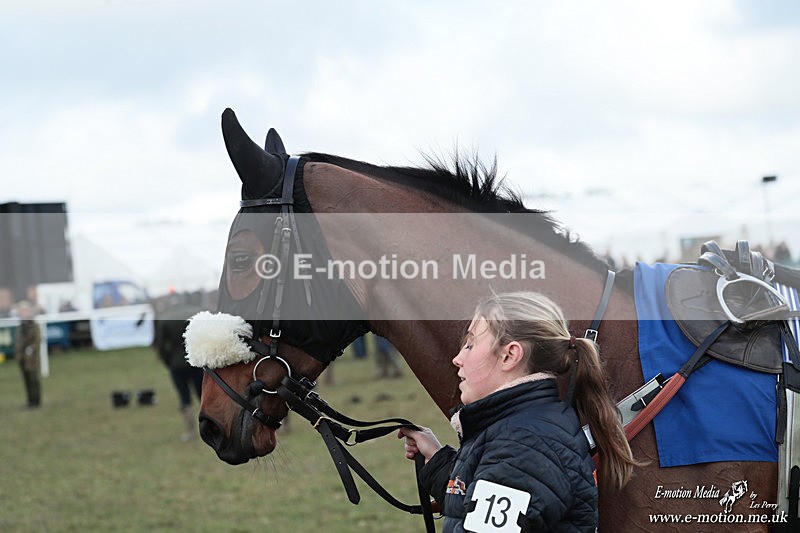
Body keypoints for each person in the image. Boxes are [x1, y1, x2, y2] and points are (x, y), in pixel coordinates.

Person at [398, 292, 638, 532]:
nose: (457, 359)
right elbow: (477, 506)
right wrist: (438, 460)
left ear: (510, 355)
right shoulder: (519, 431)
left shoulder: (524, 446)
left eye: (470, 344)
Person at [154, 292, 205, 442]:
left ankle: (190, 431)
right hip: (196, 361)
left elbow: (161, 346)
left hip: (177, 364)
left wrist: (168, 361)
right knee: (203, 396)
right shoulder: (195, 314)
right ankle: (211, 428)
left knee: (184, 398)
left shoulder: (165, 319)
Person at [14, 301, 42, 408]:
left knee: (33, 379)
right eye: (21, 311)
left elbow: (37, 340)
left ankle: (36, 401)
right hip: (22, 358)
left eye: (25, 310)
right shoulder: (21, 325)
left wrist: (31, 349)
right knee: (26, 379)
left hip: (31, 358)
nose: (23, 313)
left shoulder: (33, 324)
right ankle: (30, 400)